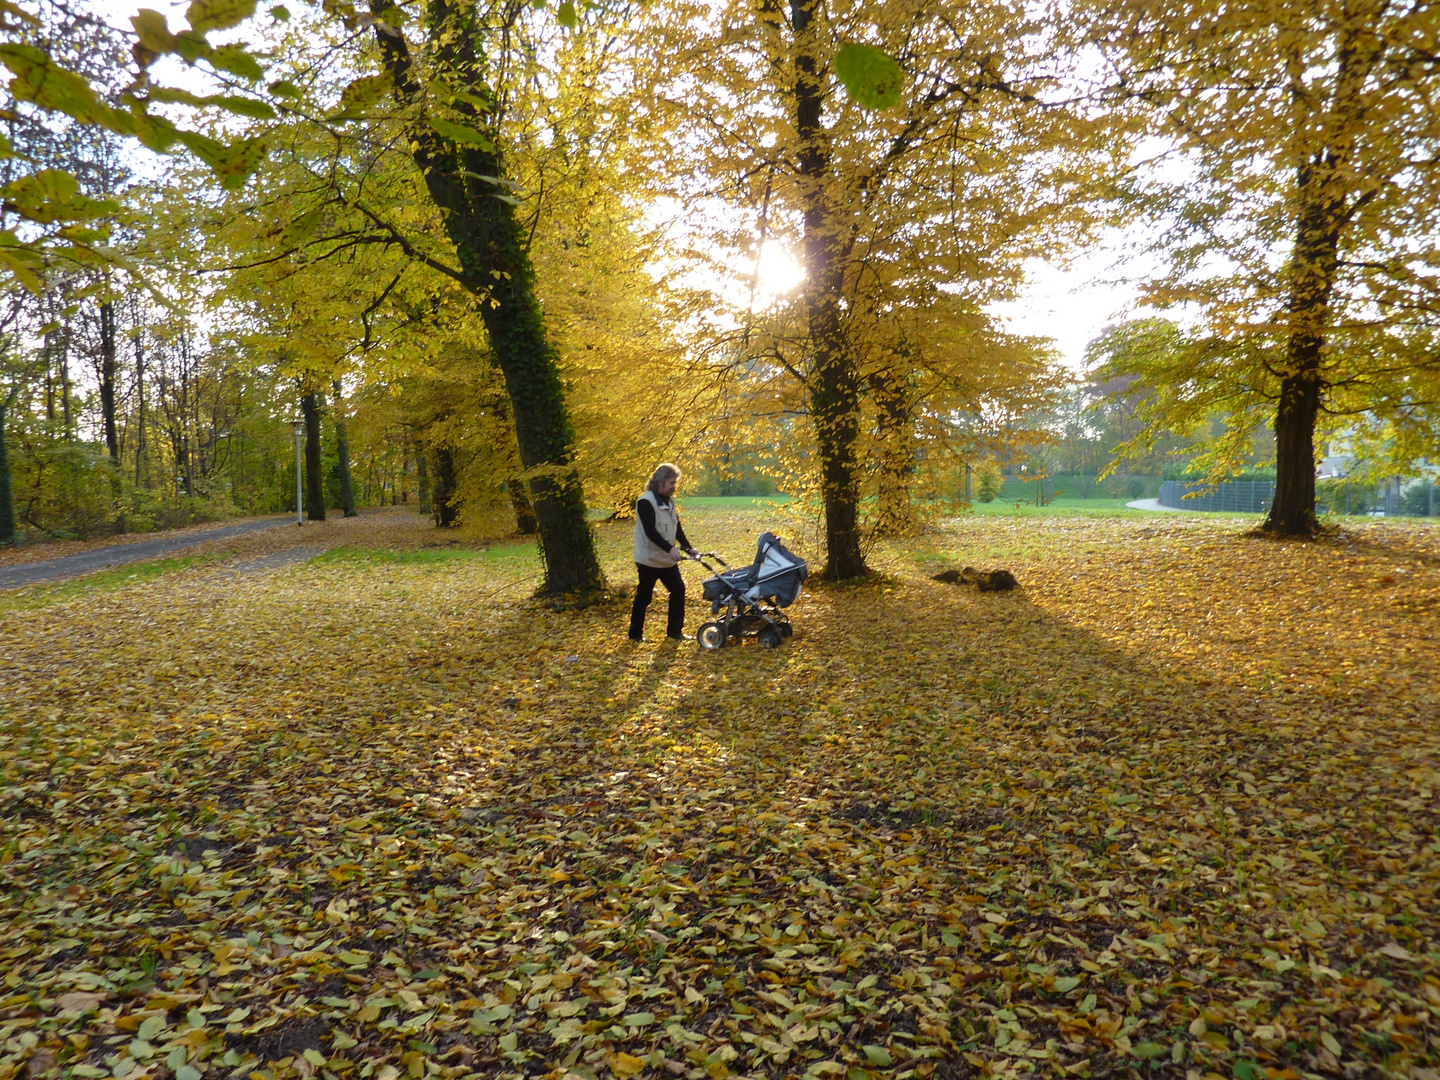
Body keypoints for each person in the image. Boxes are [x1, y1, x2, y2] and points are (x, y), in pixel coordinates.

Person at [630, 463, 698, 642]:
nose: (673, 487)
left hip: (667, 560)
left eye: (674, 483)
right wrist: (670, 549)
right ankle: (635, 634)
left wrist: (687, 547)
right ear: (659, 482)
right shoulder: (646, 501)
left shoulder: (669, 501)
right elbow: (650, 532)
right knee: (644, 597)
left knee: (678, 590)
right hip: (649, 560)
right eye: (670, 483)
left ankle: (675, 632)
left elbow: (676, 527)